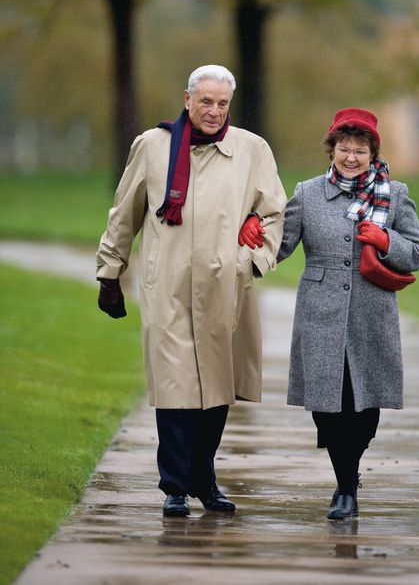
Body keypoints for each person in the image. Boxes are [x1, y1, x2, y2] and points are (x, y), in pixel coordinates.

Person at [96, 64, 286, 517]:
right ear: (187, 99)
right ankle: (176, 486)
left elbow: (276, 212)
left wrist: (252, 259)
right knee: (176, 387)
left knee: (217, 388)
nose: (214, 111)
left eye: (222, 103)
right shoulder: (152, 146)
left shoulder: (252, 150)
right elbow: (125, 213)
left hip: (227, 285)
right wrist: (109, 273)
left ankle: (205, 477)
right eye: (206, 101)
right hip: (169, 286)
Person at [277, 107, 419, 520]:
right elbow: (280, 245)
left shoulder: (394, 194)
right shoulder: (307, 193)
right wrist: (250, 233)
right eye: (344, 148)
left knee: (362, 410)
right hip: (320, 312)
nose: (351, 157)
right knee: (327, 408)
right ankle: (346, 485)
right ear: (331, 150)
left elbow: (418, 253)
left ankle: (346, 484)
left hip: (370, 313)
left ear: (372, 152)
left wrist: (386, 238)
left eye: (360, 150)